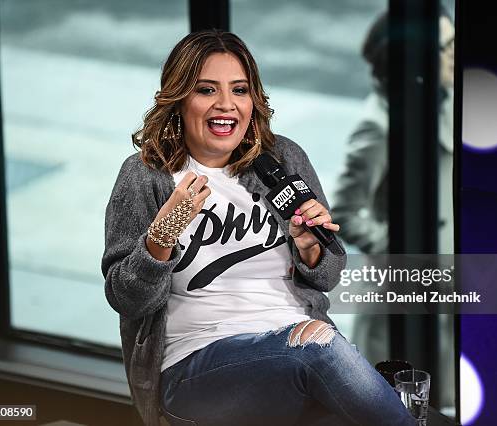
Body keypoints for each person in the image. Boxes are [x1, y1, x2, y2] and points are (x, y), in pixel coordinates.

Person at [102, 30, 414, 426]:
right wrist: (163, 234)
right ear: (178, 99)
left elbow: (331, 273)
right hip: (197, 366)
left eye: (239, 90)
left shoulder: (282, 158)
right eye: (206, 90)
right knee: (324, 350)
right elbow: (126, 299)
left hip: (297, 352)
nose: (226, 105)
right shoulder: (147, 176)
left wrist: (310, 248)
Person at [331, 10, 455, 255]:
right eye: (447, 45)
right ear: (415, 57)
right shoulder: (378, 126)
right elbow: (343, 214)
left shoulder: (445, 96)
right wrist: (402, 249)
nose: (455, 53)